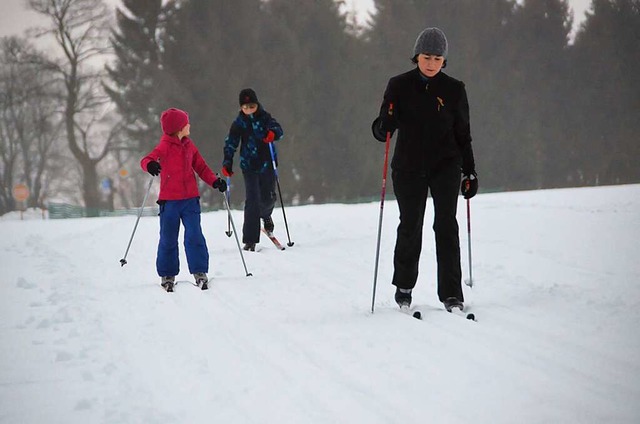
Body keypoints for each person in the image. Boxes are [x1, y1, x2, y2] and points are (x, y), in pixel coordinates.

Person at [371, 27, 478, 312]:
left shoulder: (455, 89)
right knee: (410, 225)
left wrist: (470, 171)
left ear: (444, 60)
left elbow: (463, 134)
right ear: (417, 56)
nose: (431, 63)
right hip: (408, 166)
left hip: (445, 165)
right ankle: (404, 287)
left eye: (437, 58)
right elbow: (383, 126)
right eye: (427, 56)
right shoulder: (398, 85)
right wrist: (383, 126)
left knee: (446, 226)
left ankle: (451, 293)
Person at [141, 107, 227, 292]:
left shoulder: (189, 145)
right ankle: (167, 274)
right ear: (179, 128)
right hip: (169, 202)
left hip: (190, 200)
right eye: (186, 122)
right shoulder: (164, 146)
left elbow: (202, 168)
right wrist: (151, 165)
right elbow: (147, 159)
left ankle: (200, 271)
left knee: (194, 235)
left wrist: (215, 182)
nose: (189, 125)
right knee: (168, 238)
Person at [222, 88, 284, 251]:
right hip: (249, 166)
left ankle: (266, 215)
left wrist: (273, 133)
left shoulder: (265, 118)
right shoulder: (239, 123)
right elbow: (231, 143)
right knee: (252, 200)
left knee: (268, 197)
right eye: (245, 107)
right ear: (241, 107)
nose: (249, 110)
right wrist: (227, 162)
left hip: (267, 164)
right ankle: (250, 239)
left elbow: (279, 130)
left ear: (256, 104)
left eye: (251, 106)